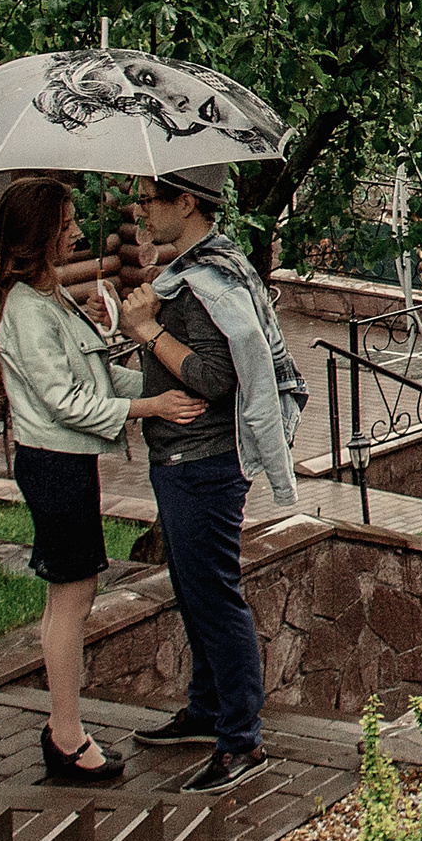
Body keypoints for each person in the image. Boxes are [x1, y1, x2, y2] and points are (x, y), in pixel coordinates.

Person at [0, 177, 204, 783]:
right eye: (68, 221)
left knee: (73, 599)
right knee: (71, 602)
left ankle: (65, 729)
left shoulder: (52, 297)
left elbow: (98, 379)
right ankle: (66, 734)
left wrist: (161, 383)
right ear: (39, 232)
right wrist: (150, 409)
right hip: (53, 464)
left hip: (66, 463)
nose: (79, 231)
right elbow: (66, 401)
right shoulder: (26, 307)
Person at [116, 162, 307, 794]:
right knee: (194, 591)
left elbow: (216, 379)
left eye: (150, 200)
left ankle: (241, 740)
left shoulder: (203, 283)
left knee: (214, 597)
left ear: (188, 205)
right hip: (183, 460)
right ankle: (206, 709)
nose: (141, 211)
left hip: (202, 463)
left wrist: (146, 331)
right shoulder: (203, 271)